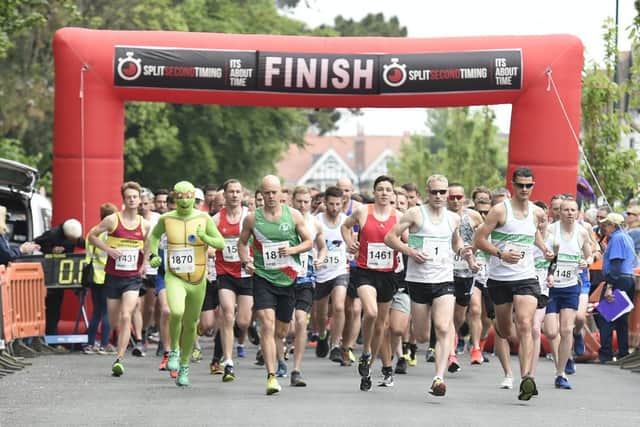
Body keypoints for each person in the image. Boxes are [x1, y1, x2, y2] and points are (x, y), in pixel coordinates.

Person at [474, 167, 553, 401]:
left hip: (526, 276)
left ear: (533, 185)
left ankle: (527, 377)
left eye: (529, 185)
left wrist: (543, 248)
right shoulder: (499, 211)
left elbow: (532, 235)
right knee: (507, 330)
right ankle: (498, 327)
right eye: (520, 185)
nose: (524, 189)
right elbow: (478, 240)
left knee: (526, 323)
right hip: (500, 278)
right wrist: (500, 254)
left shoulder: (537, 213)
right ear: (513, 185)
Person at [385, 174, 468, 397]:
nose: (439, 196)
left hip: (444, 279)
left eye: (443, 192)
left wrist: (463, 252)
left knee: (442, 327)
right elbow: (390, 238)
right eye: (435, 192)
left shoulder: (453, 218)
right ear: (427, 193)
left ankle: (438, 378)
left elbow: (455, 240)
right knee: (421, 335)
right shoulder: (415, 214)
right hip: (419, 280)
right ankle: (419, 340)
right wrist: (411, 251)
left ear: (448, 192)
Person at [237, 175, 313, 395]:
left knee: (282, 330)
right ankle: (271, 376)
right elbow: (242, 244)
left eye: (274, 192)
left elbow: (308, 242)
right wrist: (246, 261)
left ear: (281, 193)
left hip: (288, 279)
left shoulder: (294, 215)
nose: (270, 197)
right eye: (266, 193)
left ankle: (279, 360)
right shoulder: (252, 219)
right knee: (267, 326)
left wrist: (292, 250)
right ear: (260, 194)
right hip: (262, 277)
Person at [148, 181, 225, 386]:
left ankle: (184, 366)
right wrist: (154, 255)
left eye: (188, 195)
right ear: (175, 197)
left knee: (191, 324)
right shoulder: (166, 218)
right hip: (175, 276)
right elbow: (153, 237)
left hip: (198, 278)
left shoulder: (204, 218)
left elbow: (221, 244)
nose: (184, 200)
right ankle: (173, 350)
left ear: (194, 198)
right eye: (179, 196)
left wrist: (205, 236)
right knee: (176, 312)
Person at [341, 175, 402, 392]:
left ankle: (369, 364)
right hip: (365, 271)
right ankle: (366, 351)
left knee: (381, 327)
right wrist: (350, 243)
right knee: (371, 312)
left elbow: (406, 242)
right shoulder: (362, 211)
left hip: (388, 274)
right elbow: (345, 227)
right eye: (380, 189)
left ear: (393, 194)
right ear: (374, 192)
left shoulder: (399, 217)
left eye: (388, 189)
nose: (384, 193)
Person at [88, 181, 150, 377]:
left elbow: (149, 245)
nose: (132, 200)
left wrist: (145, 263)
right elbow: (91, 236)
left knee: (126, 315)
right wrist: (108, 250)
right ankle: (120, 343)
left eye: (135, 197)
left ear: (139, 199)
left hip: (132, 278)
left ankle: (120, 358)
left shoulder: (145, 224)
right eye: (128, 197)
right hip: (113, 276)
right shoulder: (113, 221)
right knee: (115, 320)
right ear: (124, 200)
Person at [543, 198, 592, 389]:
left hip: (571, 286)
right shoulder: (551, 230)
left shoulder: (581, 232)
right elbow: (542, 254)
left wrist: (586, 262)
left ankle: (560, 373)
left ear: (578, 212)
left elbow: (589, 254)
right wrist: (548, 266)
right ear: (559, 212)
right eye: (566, 210)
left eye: (573, 210)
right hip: (551, 286)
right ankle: (562, 362)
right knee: (551, 331)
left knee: (566, 330)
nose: (570, 213)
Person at [213, 179, 254, 382]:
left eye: (238, 191)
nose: (235, 195)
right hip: (225, 273)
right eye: (231, 192)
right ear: (225, 194)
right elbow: (208, 243)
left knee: (243, 321)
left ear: (242, 195)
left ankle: (238, 333)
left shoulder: (250, 217)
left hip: (246, 273)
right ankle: (228, 362)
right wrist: (211, 249)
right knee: (227, 313)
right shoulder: (215, 219)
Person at [288, 185, 326, 386]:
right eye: (299, 201)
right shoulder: (284, 221)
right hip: (283, 278)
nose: (303, 205)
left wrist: (320, 258)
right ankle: (279, 360)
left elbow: (323, 248)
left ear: (311, 203)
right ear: (292, 201)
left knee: (301, 321)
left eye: (306, 202)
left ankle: (296, 369)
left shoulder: (315, 224)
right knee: (284, 327)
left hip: (305, 278)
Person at [312, 186, 351, 365]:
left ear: (342, 203)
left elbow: (352, 241)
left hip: (339, 270)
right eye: (331, 204)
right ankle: (322, 334)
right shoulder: (316, 221)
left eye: (338, 204)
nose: (334, 208)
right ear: (325, 203)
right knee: (320, 312)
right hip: (320, 272)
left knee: (338, 306)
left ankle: (336, 345)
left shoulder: (346, 221)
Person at [35, 217, 84, 341]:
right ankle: (47, 339)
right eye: (72, 240)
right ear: (66, 235)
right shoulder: (52, 234)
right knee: (50, 308)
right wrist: (51, 250)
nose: (74, 242)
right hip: (49, 276)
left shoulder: (74, 233)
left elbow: (84, 243)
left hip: (61, 278)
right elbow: (35, 244)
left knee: (56, 309)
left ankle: (52, 339)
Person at [597, 212, 637, 362]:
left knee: (605, 315)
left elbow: (616, 264)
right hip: (628, 279)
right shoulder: (626, 237)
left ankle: (606, 354)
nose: (604, 227)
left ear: (613, 225)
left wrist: (609, 286)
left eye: (606, 225)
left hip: (618, 279)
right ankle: (623, 352)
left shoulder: (617, 238)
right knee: (621, 317)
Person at [83, 203, 119, 355]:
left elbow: (89, 253)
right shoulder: (111, 233)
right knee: (106, 312)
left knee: (96, 311)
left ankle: (90, 344)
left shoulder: (92, 231)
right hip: (107, 275)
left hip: (93, 277)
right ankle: (104, 344)